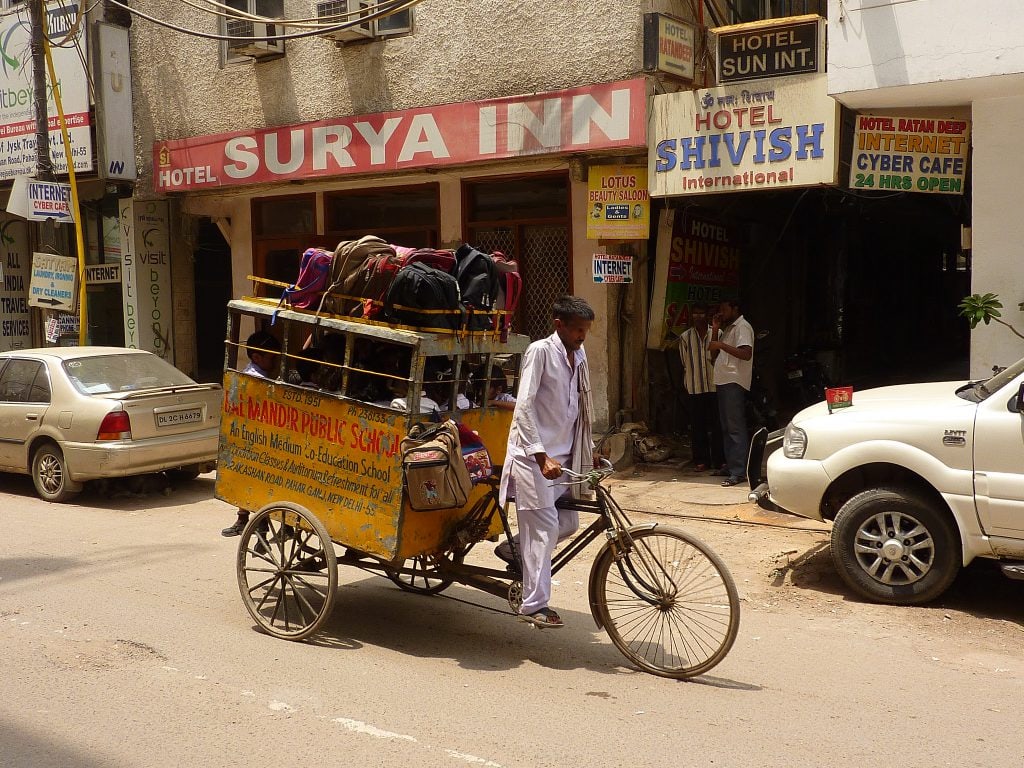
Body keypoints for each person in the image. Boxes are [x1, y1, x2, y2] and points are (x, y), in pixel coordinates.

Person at [496, 296, 596, 629]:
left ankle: (516, 550)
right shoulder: (540, 351)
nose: (583, 336)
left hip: (565, 455)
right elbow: (523, 407)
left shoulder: (579, 354)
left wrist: (589, 449)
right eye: (578, 330)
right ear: (559, 325)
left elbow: (578, 407)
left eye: (586, 330)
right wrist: (541, 457)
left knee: (568, 522)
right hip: (533, 458)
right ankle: (534, 605)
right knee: (544, 529)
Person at [223, 330, 280, 537]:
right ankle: (249, 519)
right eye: (271, 357)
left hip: (258, 436)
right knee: (251, 478)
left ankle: (249, 519)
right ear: (257, 357)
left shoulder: (260, 376)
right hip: (253, 436)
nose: (274, 361)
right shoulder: (254, 379)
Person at [709, 300, 754, 487]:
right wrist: (715, 330)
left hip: (734, 381)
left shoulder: (742, 327)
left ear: (736, 309)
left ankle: (738, 471)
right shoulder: (728, 329)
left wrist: (721, 345)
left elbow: (746, 353)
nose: (722, 312)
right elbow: (713, 355)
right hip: (723, 380)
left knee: (734, 427)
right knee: (727, 427)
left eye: (725, 309)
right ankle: (731, 465)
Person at [678, 305, 724, 473]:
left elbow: (720, 358)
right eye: (695, 313)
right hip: (695, 386)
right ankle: (701, 460)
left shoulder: (718, 333)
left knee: (717, 425)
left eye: (701, 312)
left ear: (707, 315)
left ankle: (720, 460)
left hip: (714, 386)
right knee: (698, 426)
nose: (698, 316)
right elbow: (684, 363)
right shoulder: (685, 337)